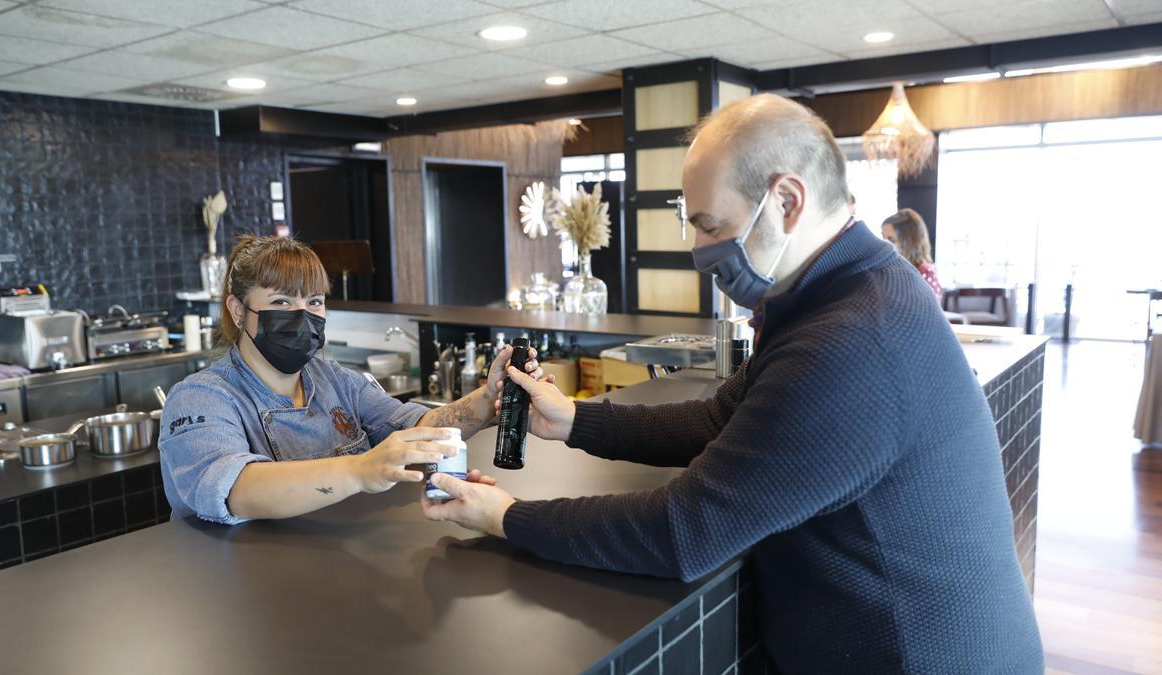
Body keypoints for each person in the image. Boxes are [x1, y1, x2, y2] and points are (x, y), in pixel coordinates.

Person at [422, 95, 1043, 673]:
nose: (699, 247)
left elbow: (686, 532)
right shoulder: (841, 291)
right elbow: (724, 418)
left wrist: (509, 516)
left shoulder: (853, 338)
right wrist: (578, 421)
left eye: (711, 224)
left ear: (786, 203)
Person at [159, 235, 545, 524]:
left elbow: (417, 427)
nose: (302, 314)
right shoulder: (199, 398)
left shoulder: (336, 381)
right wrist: (362, 470)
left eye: (313, 301)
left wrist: (489, 395)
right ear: (238, 310)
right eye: (281, 302)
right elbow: (237, 490)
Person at [882, 208, 944, 303]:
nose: (884, 243)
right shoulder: (894, 268)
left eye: (891, 240)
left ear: (909, 241)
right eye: (883, 237)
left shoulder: (925, 272)